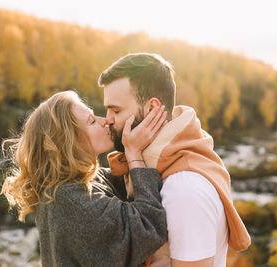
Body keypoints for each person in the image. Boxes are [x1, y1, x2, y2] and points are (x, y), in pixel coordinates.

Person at [98, 53, 251, 267]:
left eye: (116, 110)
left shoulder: (183, 188)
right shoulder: (164, 166)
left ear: (152, 108)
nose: (108, 119)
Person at [0, 91, 169, 267]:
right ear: (70, 142)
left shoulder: (80, 183)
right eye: (92, 121)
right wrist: (133, 152)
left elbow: (133, 184)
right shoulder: (68, 198)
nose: (106, 121)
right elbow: (149, 229)